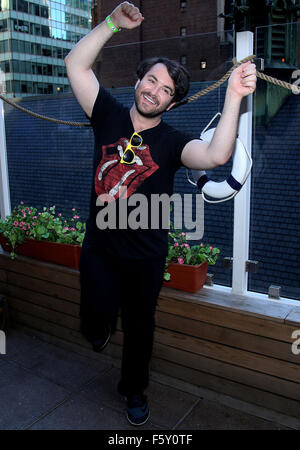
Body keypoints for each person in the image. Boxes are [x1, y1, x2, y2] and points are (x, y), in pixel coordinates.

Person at [65, 2, 256, 426]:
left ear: (171, 104)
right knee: (94, 318)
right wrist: (112, 23)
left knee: (140, 330)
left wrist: (234, 97)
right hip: (99, 247)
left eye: (165, 89)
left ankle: (133, 391)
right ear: (138, 81)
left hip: (145, 256)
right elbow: (76, 64)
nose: (154, 90)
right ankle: (97, 329)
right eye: (151, 80)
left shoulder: (172, 142)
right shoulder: (107, 115)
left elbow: (215, 154)